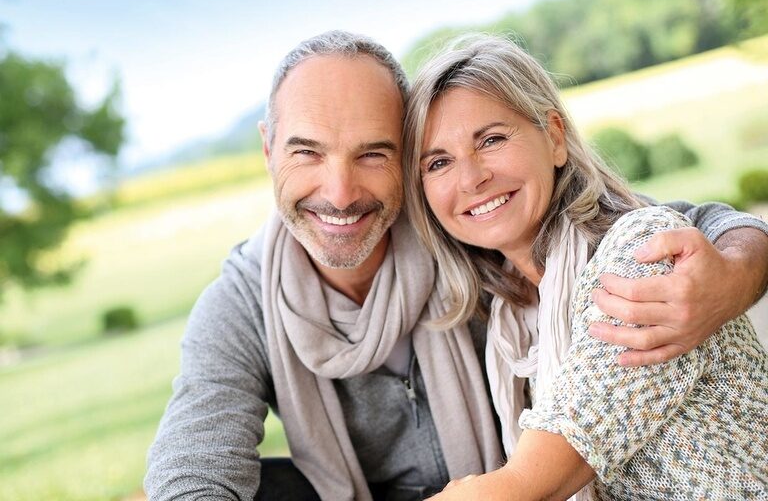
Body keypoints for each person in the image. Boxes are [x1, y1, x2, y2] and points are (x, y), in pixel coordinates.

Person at [144, 30, 768, 501]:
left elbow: (681, 227)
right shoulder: (248, 302)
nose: (339, 192)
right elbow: (193, 461)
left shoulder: (483, 242)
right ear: (267, 148)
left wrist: (736, 272)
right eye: (307, 151)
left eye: (373, 153)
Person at [401, 33, 768, 500]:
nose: (471, 178)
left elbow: (528, 484)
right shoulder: (514, 322)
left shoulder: (639, 257)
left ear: (555, 137)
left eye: (491, 140)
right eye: (438, 163)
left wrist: (745, 259)